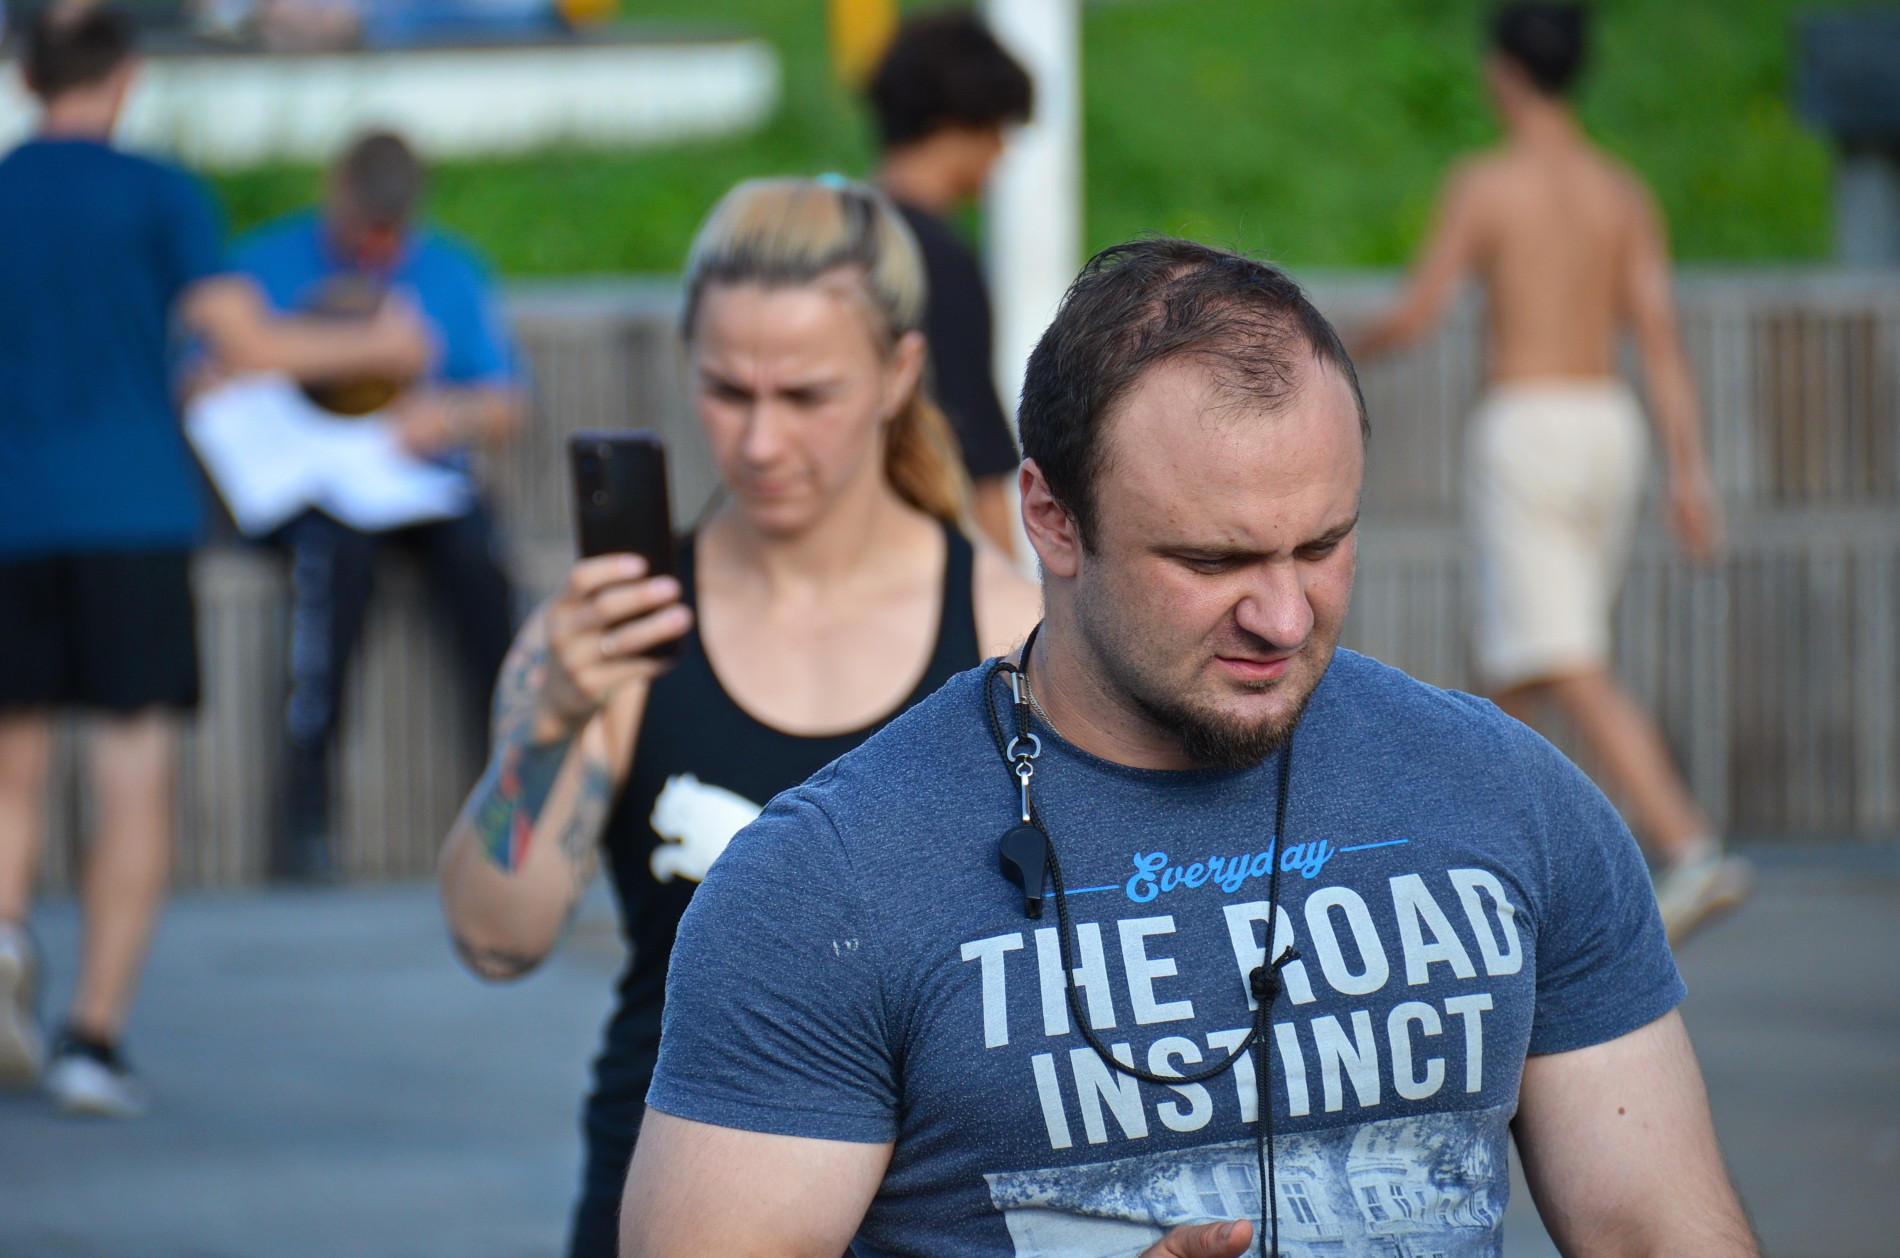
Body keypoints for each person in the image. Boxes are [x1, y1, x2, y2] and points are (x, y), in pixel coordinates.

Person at [617, 238, 1758, 1258]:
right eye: (1213, 562)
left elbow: (1657, 1229)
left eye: (1322, 545)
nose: (1284, 617)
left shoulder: (1511, 798)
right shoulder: (823, 881)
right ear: (1052, 518)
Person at [437, 177, 1040, 1258]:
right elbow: (496, 937)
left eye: (805, 395)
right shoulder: (614, 633)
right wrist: (546, 727)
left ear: (899, 372)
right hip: (668, 1208)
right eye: (726, 391)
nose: (759, 442)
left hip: (928, 1219)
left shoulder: (1006, 629)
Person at [0, 6, 429, 1116]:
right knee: (133, 770)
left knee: (11, 771)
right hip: (132, 513)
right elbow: (250, 339)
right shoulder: (158, 192)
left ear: (26, 74)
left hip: (11, 511)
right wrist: (379, 343)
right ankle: (92, 1041)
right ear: (127, 79)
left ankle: (4, 937)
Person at [1348, 2, 1749, 944]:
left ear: (1504, 72)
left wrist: (1327, 345)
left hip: (1527, 426)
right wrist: (1691, 476)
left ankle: (1689, 844)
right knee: (1518, 657)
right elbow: (1659, 336)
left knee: (1561, 652)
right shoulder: (1621, 191)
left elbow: (1419, 312)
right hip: (1610, 426)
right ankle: (1457, 843)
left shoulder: (1487, 183)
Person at [230, 130, 525, 881]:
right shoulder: (266, 263)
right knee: (334, 567)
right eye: (365, 221)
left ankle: (513, 795)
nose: (375, 242)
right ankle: (307, 813)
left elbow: (504, 402)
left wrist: (446, 416)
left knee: (479, 562)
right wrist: (368, 351)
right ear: (336, 190)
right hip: (314, 492)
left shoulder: (450, 269)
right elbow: (209, 370)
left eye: (392, 226)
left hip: (416, 481)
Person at [870, 8, 1033, 558]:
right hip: (927, 547)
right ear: (961, 123)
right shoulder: (938, 259)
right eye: (999, 129)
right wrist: (1006, 588)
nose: (1001, 152)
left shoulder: (841, 236)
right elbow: (975, 449)